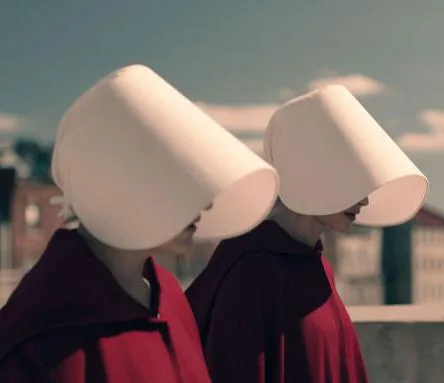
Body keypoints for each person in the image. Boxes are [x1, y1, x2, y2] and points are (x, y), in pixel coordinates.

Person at [0, 64, 279, 382]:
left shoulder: (171, 296)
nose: (207, 202)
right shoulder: (40, 339)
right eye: (180, 180)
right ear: (126, 183)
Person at [186, 85, 429, 383]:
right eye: (352, 181)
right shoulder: (253, 273)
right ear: (311, 173)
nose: (364, 200)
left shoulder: (312, 262)